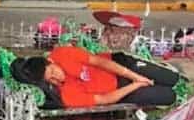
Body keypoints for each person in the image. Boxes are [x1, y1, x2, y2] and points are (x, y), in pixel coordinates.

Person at [13, 45, 180, 108]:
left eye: (52, 72)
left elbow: (100, 62)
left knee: (171, 78)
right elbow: (105, 99)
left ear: (50, 60)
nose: (56, 79)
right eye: (50, 80)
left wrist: (134, 76)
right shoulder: (66, 95)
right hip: (120, 91)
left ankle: (165, 71)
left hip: (121, 67)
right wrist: (135, 85)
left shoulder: (63, 54)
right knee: (169, 96)